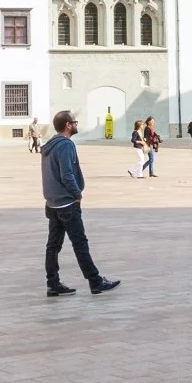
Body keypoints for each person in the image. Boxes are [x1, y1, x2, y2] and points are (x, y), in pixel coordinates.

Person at [41, 110, 119, 297]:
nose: (76, 125)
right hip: (67, 203)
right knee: (80, 243)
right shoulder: (65, 145)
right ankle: (95, 281)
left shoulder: (49, 145)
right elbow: (67, 174)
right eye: (74, 122)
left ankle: (53, 283)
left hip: (52, 203)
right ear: (68, 125)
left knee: (53, 245)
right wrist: (77, 194)